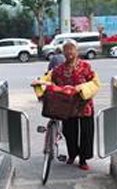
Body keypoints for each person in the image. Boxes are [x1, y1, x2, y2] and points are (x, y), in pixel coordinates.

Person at [33, 39, 100, 170]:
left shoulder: (86, 66)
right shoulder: (58, 69)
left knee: (86, 133)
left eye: (71, 48)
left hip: (84, 105)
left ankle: (83, 159)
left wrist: (81, 88)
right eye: (66, 49)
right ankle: (72, 154)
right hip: (67, 106)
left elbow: (95, 83)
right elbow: (47, 78)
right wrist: (38, 83)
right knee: (69, 131)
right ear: (63, 52)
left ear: (76, 50)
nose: (69, 52)